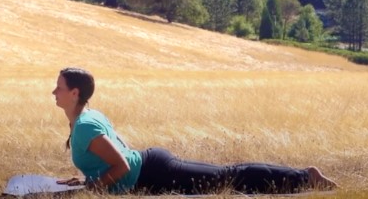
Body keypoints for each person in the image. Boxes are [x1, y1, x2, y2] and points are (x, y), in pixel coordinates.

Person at [53, 67, 337, 195]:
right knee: (227, 175)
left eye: (60, 87)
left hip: (154, 172)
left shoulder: (85, 125)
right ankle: (303, 177)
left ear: (74, 93)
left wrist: (91, 190)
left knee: (229, 177)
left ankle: (305, 177)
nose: (54, 91)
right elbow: (118, 151)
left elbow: (122, 164)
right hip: (152, 166)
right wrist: (86, 178)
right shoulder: (85, 117)